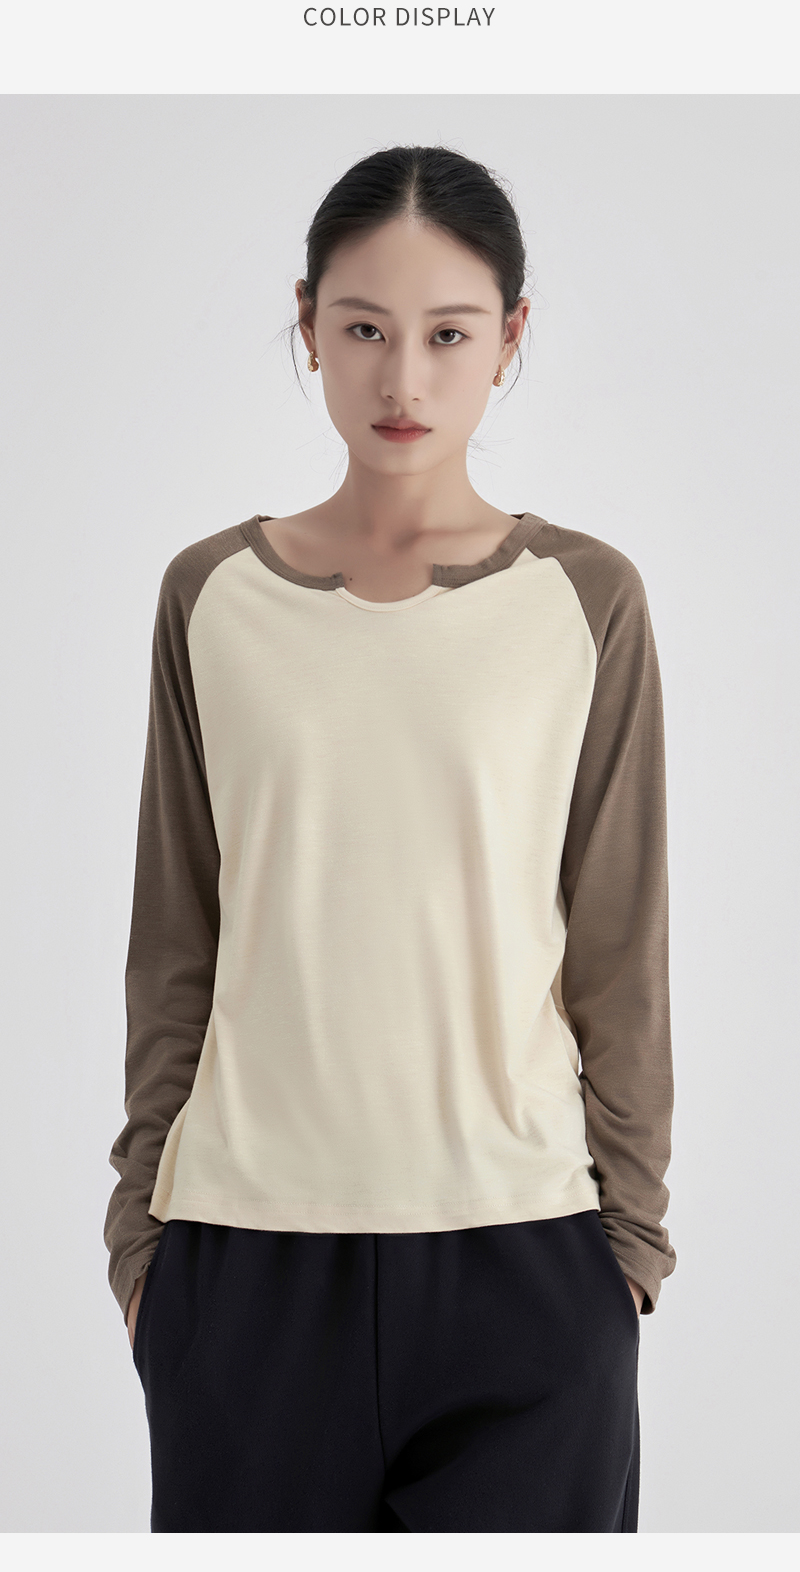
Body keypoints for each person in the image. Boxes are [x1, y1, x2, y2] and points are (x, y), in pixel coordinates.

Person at [104, 143, 675, 1533]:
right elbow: (178, 935)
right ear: (307, 325)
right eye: (363, 329)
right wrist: (141, 1245)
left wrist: (630, 1248)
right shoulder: (211, 596)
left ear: (511, 338)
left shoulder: (586, 599)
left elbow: (619, 945)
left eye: (448, 334)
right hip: (243, 1263)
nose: (403, 379)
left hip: (526, 1261)